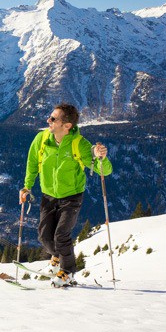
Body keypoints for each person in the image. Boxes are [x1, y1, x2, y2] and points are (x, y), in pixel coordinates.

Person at [19, 103, 112, 286]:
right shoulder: (42, 139)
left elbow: (105, 171)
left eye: (53, 119)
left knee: (61, 235)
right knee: (45, 237)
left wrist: (101, 157)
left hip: (71, 197)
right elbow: (32, 163)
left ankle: (68, 271)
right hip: (48, 195)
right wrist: (26, 187)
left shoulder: (80, 145)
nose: (48, 120)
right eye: (50, 117)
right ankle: (57, 258)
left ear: (67, 125)